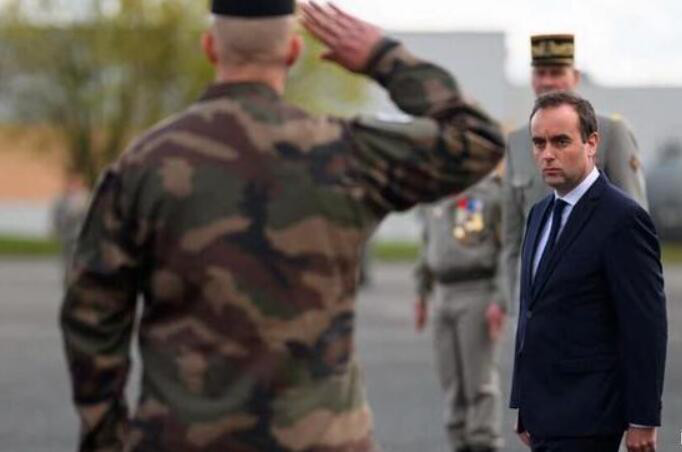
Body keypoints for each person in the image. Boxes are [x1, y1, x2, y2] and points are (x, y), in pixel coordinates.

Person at [59, 1, 505, 450]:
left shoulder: (146, 163)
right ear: (293, 51)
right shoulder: (345, 154)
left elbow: (91, 311)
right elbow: (478, 139)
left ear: (210, 47)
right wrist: (382, 57)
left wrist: (105, 437)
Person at [509, 91, 667, 452]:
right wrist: (523, 400)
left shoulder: (623, 219)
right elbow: (531, 311)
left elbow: (645, 326)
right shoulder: (538, 214)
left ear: (591, 143)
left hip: (590, 416)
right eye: (539, 143)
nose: (547, 154)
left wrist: (643, 418)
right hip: (543, 411)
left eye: (561, 141)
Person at [502, 34, 648, 307]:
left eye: (556, 72)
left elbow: (634, 223)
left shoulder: (610, 132)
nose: (547, 81)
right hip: (534, 299)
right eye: (540, 73)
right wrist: (512, 301)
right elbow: (511, 237)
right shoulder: (517, 141)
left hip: (592, 296)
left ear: (576, 77)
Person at [414, 163, 506, 452]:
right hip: (443, 294)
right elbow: (427, 246)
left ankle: (483, 441)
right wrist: (421, 292)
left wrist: (499, 300)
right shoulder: (434, 196)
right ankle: (459, 441)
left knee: (478, 380)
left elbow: (506, 251)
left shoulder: (488, 195)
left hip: (476, 291)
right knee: (450, 379)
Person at [50, 170, 90, 281]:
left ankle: (78, 277)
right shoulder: (62, 199)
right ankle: (69, 276)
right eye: (71, 183)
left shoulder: (85, 198)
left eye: (75, 183)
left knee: (78, 257)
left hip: (79, 234)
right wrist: (56, 229)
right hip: (66, 235)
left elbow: (86, 216)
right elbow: (56, 216)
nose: (72, 186)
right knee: (66, 257)